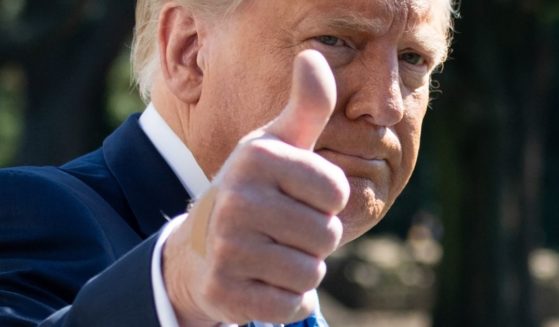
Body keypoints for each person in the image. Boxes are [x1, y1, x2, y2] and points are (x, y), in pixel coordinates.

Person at [0, 0, 456, 326]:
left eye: (413, 57)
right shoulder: (29, 212)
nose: (386, 104)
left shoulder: (294, 300)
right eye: (335, 41)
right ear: (189, 52)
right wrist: (174, 288)